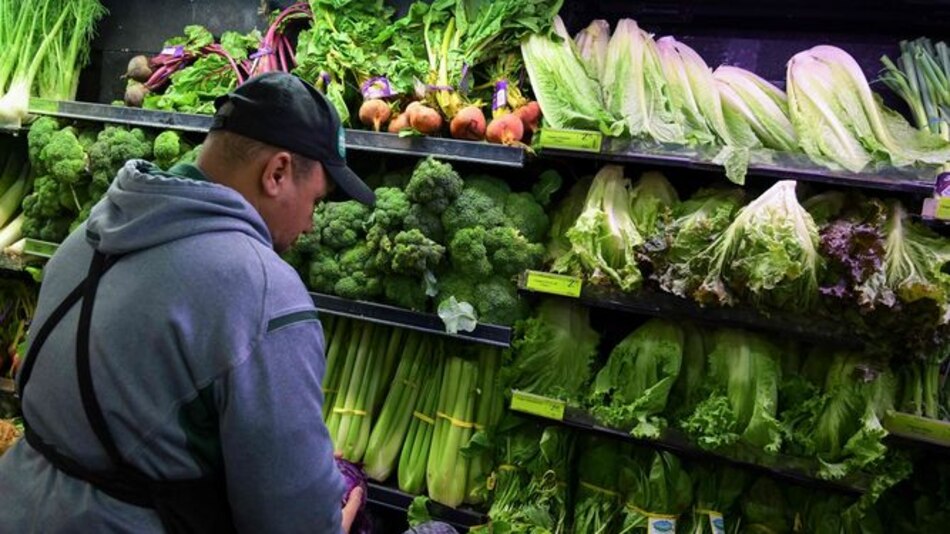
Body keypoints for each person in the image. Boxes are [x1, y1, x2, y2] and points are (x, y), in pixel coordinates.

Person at [0, 72, 374, 532]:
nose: (312, 224)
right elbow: (290, 516)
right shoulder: (262, 288)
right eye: (316, 200)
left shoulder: (88, 235)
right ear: (276, 173)